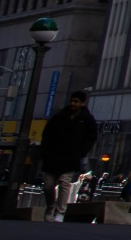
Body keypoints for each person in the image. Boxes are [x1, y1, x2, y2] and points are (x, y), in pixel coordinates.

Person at [37, 90, 98, 222]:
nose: (73, 104)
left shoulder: (87, 120)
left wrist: (81, 152)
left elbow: (91, 137)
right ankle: (51, 206)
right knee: (48, 185)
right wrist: (45, 151)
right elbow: (47, 135)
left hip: (70, 156)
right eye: (71, 101)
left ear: (82, 103)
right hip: (52, 156)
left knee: (65, 183)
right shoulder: (59, 117)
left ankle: (60, 212)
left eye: (76, 101)